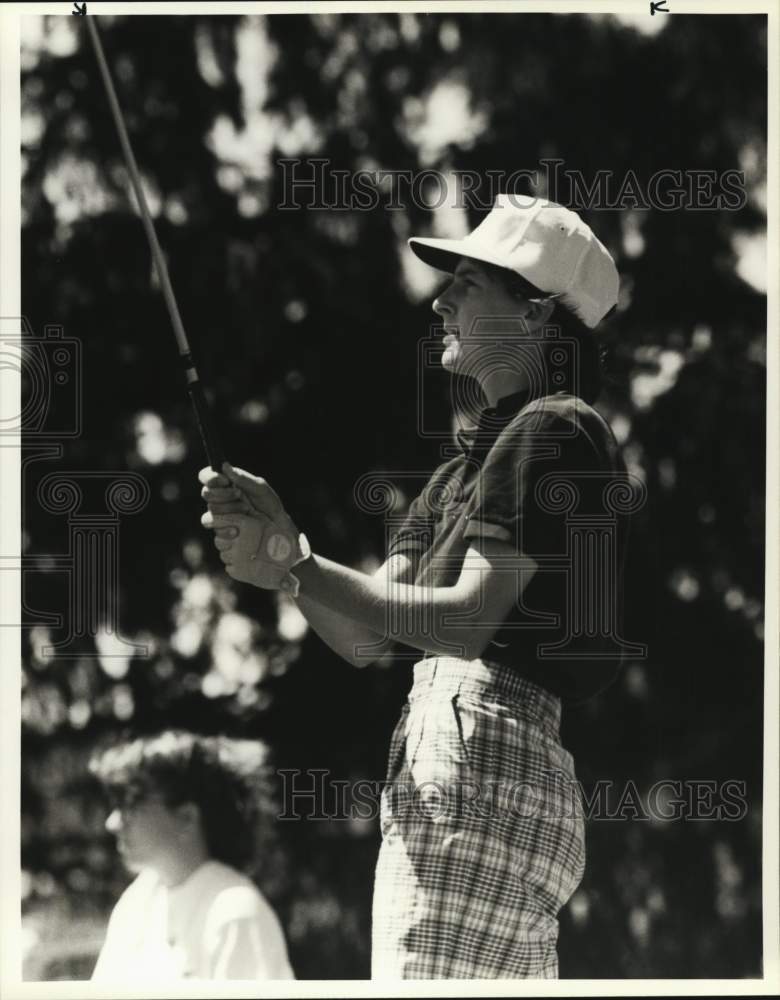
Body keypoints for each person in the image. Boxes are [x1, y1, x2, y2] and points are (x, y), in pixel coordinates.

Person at [200, 194, 637, 979]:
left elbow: (467, 620)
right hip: (483, 761)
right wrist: (287, 555)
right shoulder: (458, 473)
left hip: (484, 753)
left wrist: (298, 567)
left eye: (468, 283)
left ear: (537, 313)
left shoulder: (554, 426)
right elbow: (368, 636)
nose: (441, 301)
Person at [89, 730, 295, 981]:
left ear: (186, 817)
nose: (113, 822)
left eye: (131, 804)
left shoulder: (235, 912)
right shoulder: (136, 902)